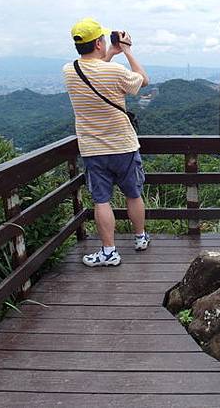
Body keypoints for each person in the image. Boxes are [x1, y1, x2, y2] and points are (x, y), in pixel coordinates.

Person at [63, 18, 150, 267]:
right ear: (99, 43)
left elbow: (93, 72)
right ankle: (141, 238)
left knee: (102, 200)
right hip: (123, 145)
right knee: (133, 194)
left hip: (92, 149)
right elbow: (142, 80)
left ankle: (109, 252)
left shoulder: (70, 71)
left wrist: (110, 53)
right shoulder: (115, 71)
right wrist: (127, 51)